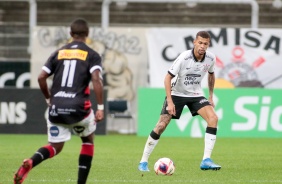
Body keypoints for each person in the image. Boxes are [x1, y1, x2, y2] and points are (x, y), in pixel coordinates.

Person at [14, 18, 104, 184]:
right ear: (88, 34)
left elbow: (41, 77)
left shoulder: (58, 53)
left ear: (70, 34)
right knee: (87, 140)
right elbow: (96, 80)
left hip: (56, 108)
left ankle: (32, 161)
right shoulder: (92, 55)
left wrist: (49, 99)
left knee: (55, 146)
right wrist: (100, 107)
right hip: (79, 109)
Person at [138, 31, 221, 171]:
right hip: (176, 94)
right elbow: (167, 78)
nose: (202, 46)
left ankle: (206, 160)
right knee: (161, 125)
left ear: (208, 45)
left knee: (213, 118)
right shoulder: (184, 57)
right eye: (200, 43)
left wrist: (211, 95)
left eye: (205, 44)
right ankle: (143, 161)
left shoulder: (211, 58)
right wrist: (170, 102)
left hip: (196, 94)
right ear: (194, 42)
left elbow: (211, 75)